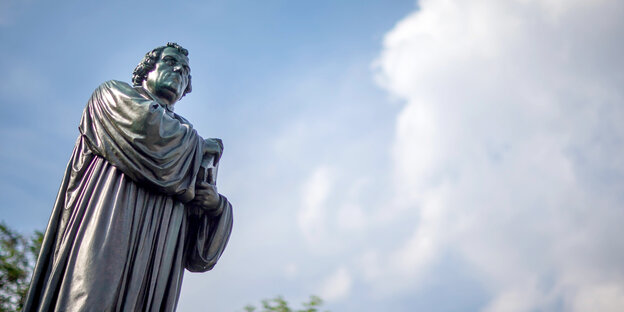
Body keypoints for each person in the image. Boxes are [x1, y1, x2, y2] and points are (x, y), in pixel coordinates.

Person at [23, 43, 233, 311]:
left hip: (157, 256)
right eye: (170, 62)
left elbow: (198, 257)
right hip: (108, 229)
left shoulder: (190, 147)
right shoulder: (111, 95)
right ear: (146, 70)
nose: (179, 70)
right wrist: (199, 147)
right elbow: (145, 128)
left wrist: (215, 207)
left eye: (185, 72)